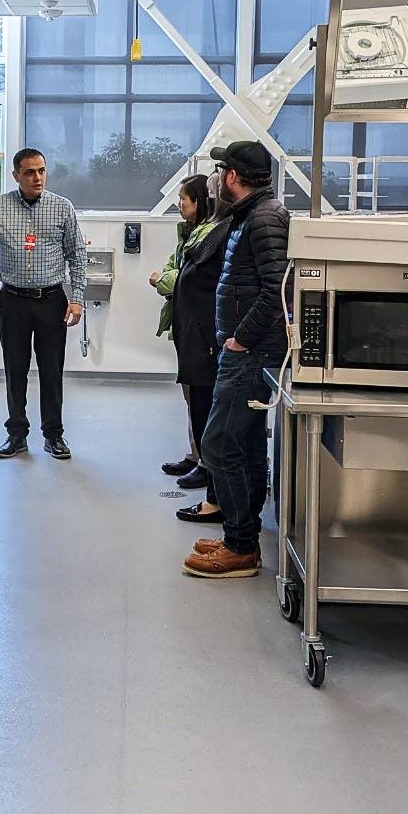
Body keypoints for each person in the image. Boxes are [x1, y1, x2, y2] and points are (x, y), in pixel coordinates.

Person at [182, 140, 289, 579]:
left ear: (231, 178)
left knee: (218, 442)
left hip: (253, 351)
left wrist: (240, 339)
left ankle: (240, 546)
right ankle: (239, 536)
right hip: (248, 349)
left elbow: (276, 287)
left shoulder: (263, 219)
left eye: (222, 171)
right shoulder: (252, 216)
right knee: (243, 442)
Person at [0, 148, 88, 460]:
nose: (37, 177)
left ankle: (54, 435)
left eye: (41, 171)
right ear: (16, 175)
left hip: (51, 300)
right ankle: (16, 435)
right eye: (29, 172)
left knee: (51, 371)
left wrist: (77, 298)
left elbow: (77, 254)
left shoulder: (62, 208)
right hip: (12, 301)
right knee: (15, 370)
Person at [157, 172, 233, 525]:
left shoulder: (216, 234)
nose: (179, 205)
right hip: (193, 332)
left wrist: (163, 280)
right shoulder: (195, 234)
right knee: (195, 401)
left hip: (209, 338)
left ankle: (210, 477)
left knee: (205, 406)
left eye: (183, 199)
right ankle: (199, 458)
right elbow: (179, 270)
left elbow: (178, 275)